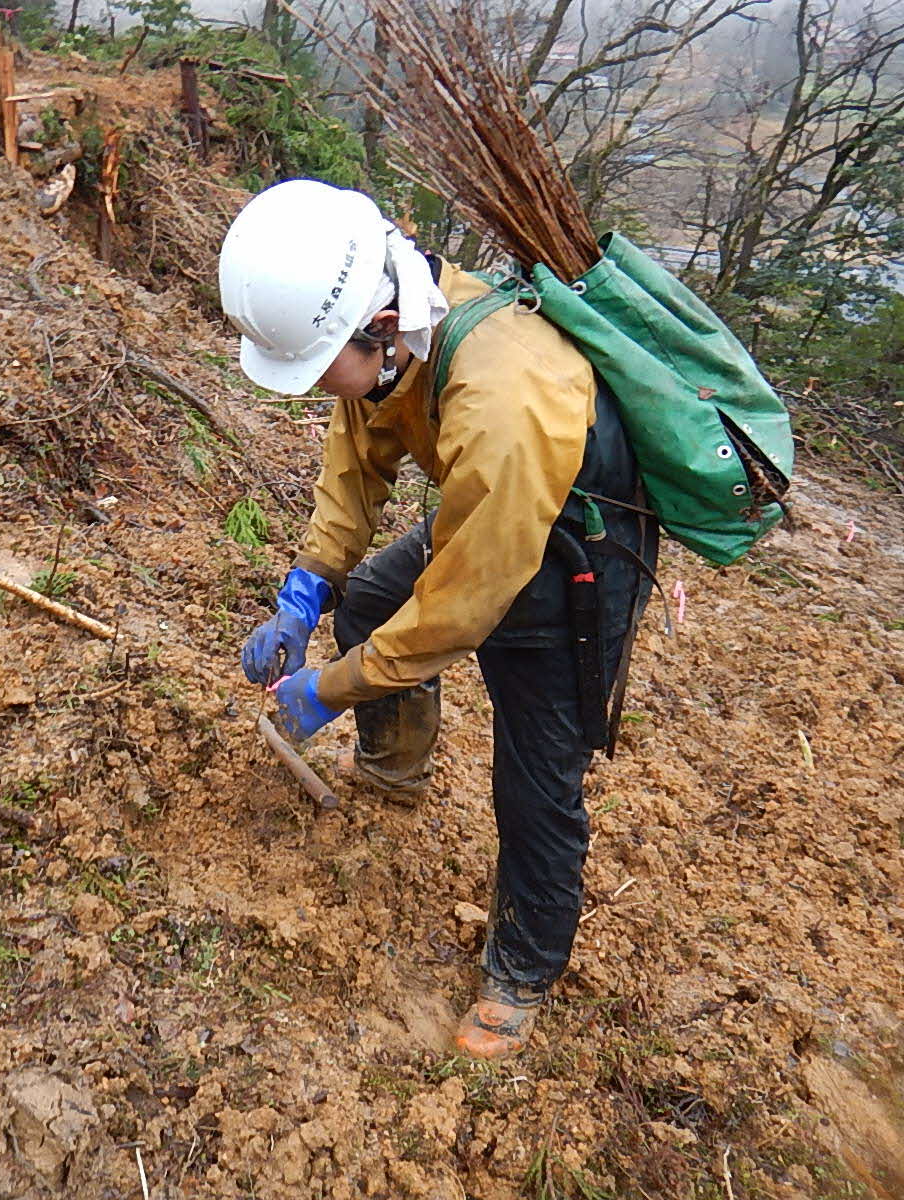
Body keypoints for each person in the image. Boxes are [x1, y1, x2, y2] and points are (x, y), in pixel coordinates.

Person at [219, 179, 655, 1059]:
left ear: (378, 329)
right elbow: (357, 458)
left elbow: (458, 610)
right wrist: (305, 589)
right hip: (486, 512)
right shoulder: (392, 331)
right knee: (373, 599)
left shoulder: (504, 400)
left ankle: (522, 971)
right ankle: (394, 770)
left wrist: (331, 691)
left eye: (315, 368)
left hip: (578, 557)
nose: (313, 392)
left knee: (535, 780)